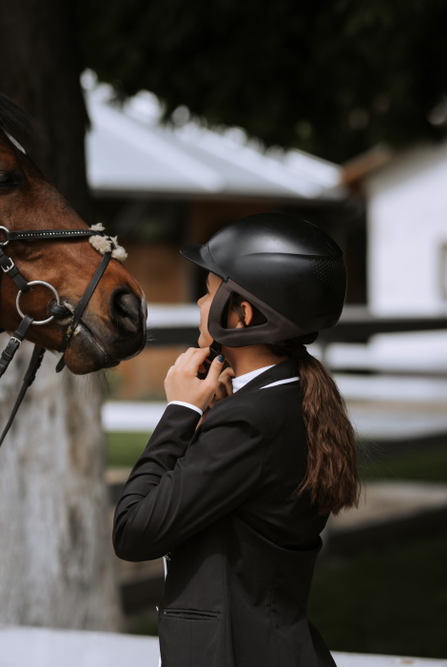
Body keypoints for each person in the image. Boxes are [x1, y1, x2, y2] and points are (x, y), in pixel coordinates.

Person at [113, 213, 360, 667]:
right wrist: (213, 420)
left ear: (241, 313)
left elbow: (133, 531)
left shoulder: (250, 423)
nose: (200, 305)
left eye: (207, 294)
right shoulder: (286, 398)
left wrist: (179, 414)